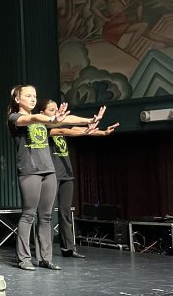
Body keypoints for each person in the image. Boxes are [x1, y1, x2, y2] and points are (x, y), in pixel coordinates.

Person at [7, 85, 99, 271]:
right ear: (17, 99)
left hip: (48, 170)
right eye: (28, 96)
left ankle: (45, 258)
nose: (33, 99)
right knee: (28, 214)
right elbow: (33, 118)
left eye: (35, 95)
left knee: (47, 216)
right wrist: (52, 118)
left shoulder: (46, 122)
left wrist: (88, 120)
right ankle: (23, 258)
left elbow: (67, 122)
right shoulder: (15, 118)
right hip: (29, 171)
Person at [40, 99, 118, 260]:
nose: (55, 113)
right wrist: (85, 131)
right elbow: (66, 132)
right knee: (45, 213)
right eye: (51, 110)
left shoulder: (61, 125)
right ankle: (42, 251)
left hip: (66, 174)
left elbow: (74, 128)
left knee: (65, 212)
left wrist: (102, 132)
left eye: (56, 110)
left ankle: (68, 248)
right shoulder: (44, 128)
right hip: (51, 174)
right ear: (43, 114)